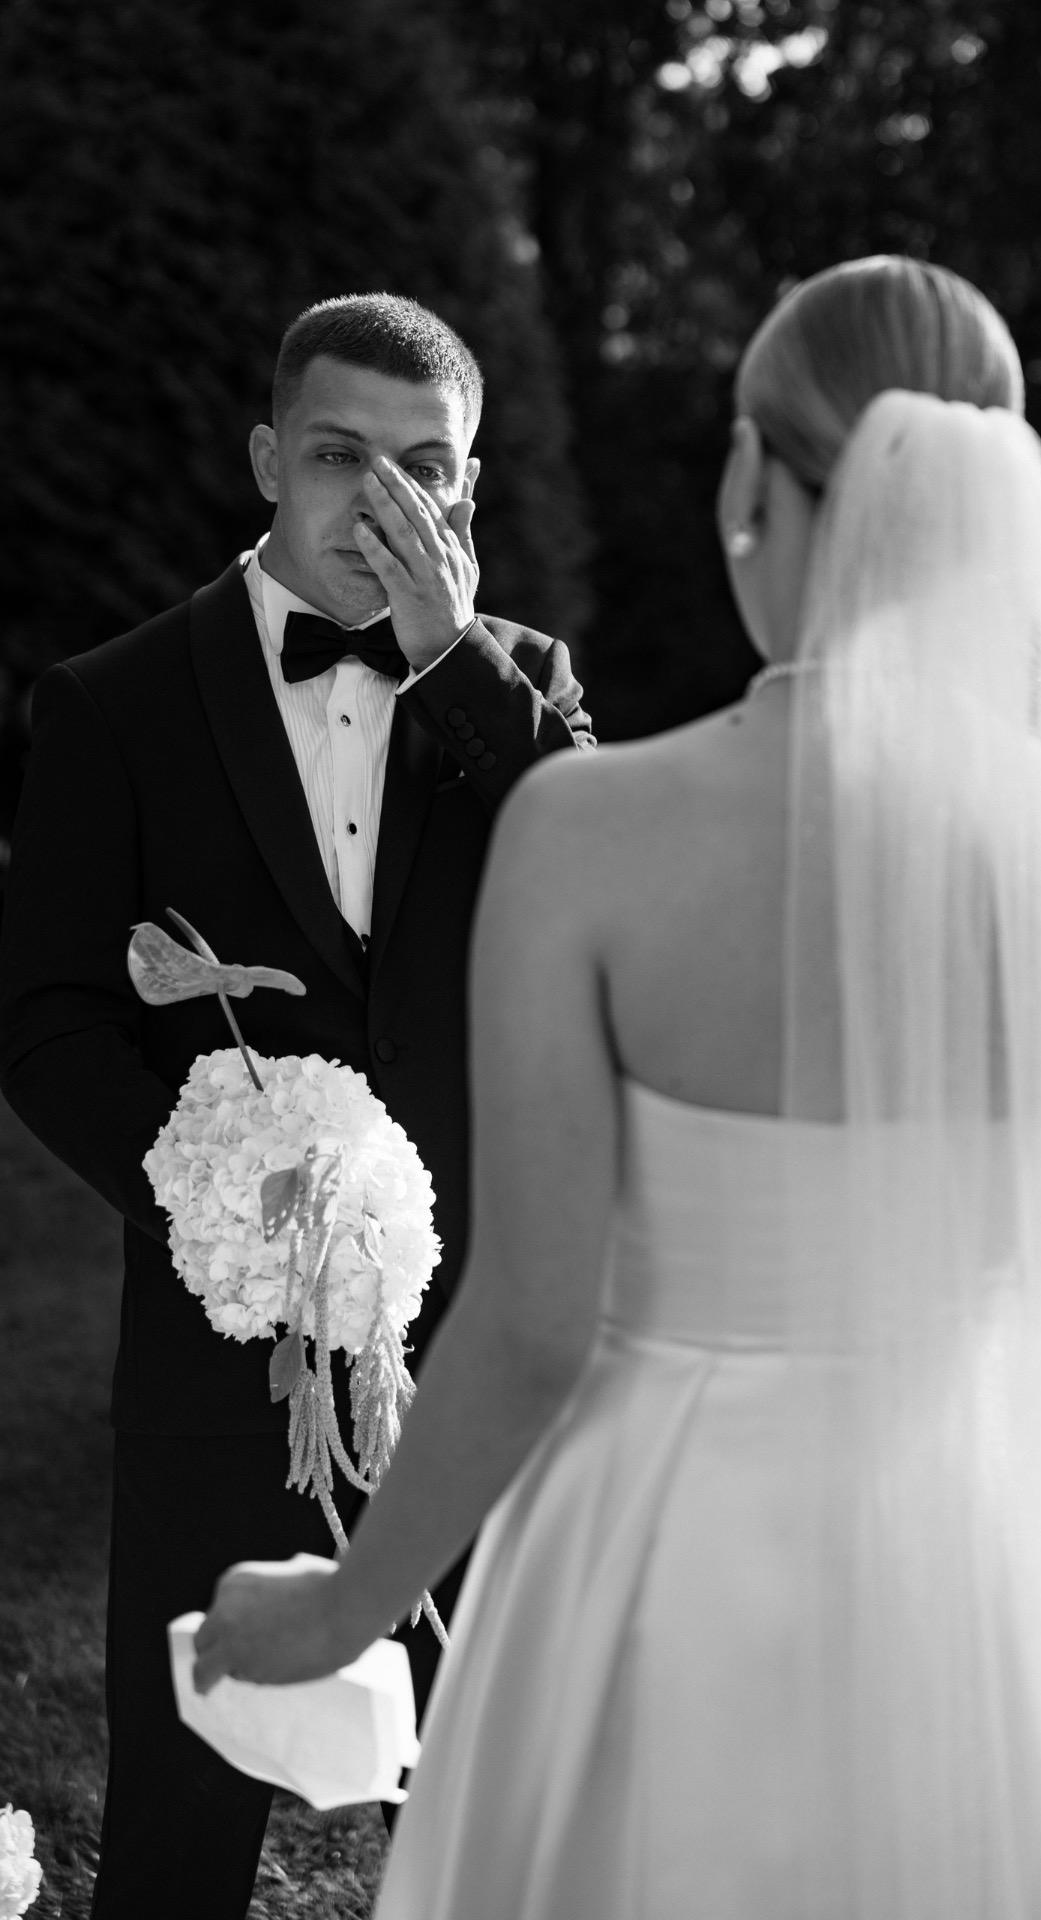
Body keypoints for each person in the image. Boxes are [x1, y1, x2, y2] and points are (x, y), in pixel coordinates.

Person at [195, 258, 1041, 1918]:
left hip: (677, 1546)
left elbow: (534, 1326)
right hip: (1004, 1560)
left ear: (752, 481)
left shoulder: (596, 834)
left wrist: (333, 1612)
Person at [0, 291, 593, 1920]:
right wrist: (219, 1204)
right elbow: (45, 1019)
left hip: (475, 1347)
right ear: (268, 458)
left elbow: (594, 896)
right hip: (219, 1349)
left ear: (469, 490)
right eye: (339, 457)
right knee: (183, 1812)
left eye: (427, 469)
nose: (384, 503)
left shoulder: (524, 688)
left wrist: (455, 665)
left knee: (492, 1813)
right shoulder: (115, 701)